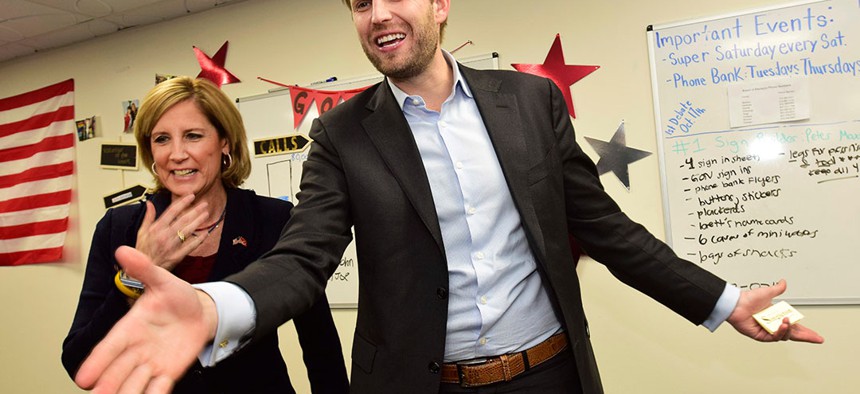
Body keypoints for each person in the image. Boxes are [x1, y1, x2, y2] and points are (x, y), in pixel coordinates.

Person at [74, 1, 824, 393]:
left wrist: (725, 302)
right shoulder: (342, 136)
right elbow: (303, 260)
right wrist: (216, 307)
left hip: (549, 376)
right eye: (360, 1)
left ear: (440, 2)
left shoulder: (531, 103)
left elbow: (609, 231)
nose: (377, 14)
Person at [62, 77, 349, 394]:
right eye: (161, 139)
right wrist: (134, 279)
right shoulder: (120, 228)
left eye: (193, 136)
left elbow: (320, 345)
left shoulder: (271, 220)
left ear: (224, 142)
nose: (177, 154)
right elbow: (78, 360)